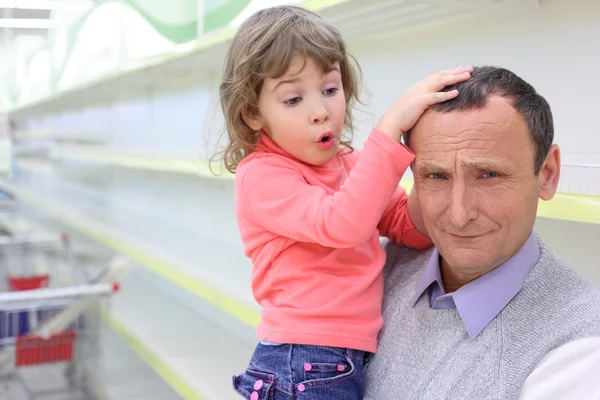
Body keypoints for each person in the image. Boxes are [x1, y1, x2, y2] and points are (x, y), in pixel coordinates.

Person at [213, 5, 473, 399]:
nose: (321, 112)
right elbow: (342, 224)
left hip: (336, 361)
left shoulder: (350, 166)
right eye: (293, 99)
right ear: (252, 113)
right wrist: (387, 133)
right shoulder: (262, 175)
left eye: (330, 90)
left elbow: (410, 229)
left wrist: (431, 166)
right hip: (300, 360)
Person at [364, 66, 600, 399]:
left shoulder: (581, 349)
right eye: (436, 176)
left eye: (488, 174)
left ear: (547, 174)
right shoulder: (376, 268)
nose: (459, 216)